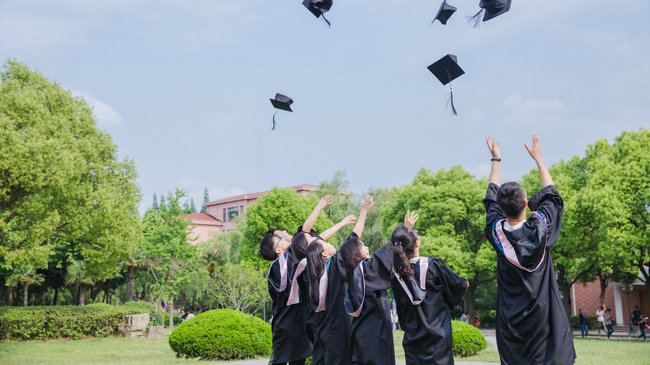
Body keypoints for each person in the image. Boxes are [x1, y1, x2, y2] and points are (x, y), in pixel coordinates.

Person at [484, 134, 576, 365]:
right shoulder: (541, 228)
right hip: (542, 320)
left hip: (510, 322)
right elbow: (551, 195)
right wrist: (539, 159)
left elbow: (491, 197)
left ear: (501, 209)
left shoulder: (496, 231)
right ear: (526, 203)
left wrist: (496, 160)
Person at [260, 195, 356, 365]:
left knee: (293, 359)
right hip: (289, 322)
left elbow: (316, 241)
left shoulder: (291, 259)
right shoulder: (283, 262)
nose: (285, 235)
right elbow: (307, 233)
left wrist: (341, 223)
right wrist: (318, 207)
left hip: (294, 321)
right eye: (279, 238)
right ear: (278, 250)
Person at [390, 211, 468, 365]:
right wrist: (465, 284)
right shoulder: (433, 266)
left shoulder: (396, 276)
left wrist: (406, 229)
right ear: (417, 244)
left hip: (413, 338)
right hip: (438, 338)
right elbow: (458, 285)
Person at [304, 197, 374, 365]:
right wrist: (363, 212)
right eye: (325, 243)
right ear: (324, 254)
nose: (328, 242)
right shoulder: (334, 266)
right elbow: (354, 239)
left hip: (325, 329)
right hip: (339, 329)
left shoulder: (317, 274)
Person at [340, 199, 395, 365]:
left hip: (359, 333)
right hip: (375, 334)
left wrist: (363, 211)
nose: (367, 247)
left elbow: (352, 240)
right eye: (363, 246)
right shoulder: (367, 269)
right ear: (356, 252)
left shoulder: (349, 271)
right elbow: (387, 253)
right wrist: (404, 231)